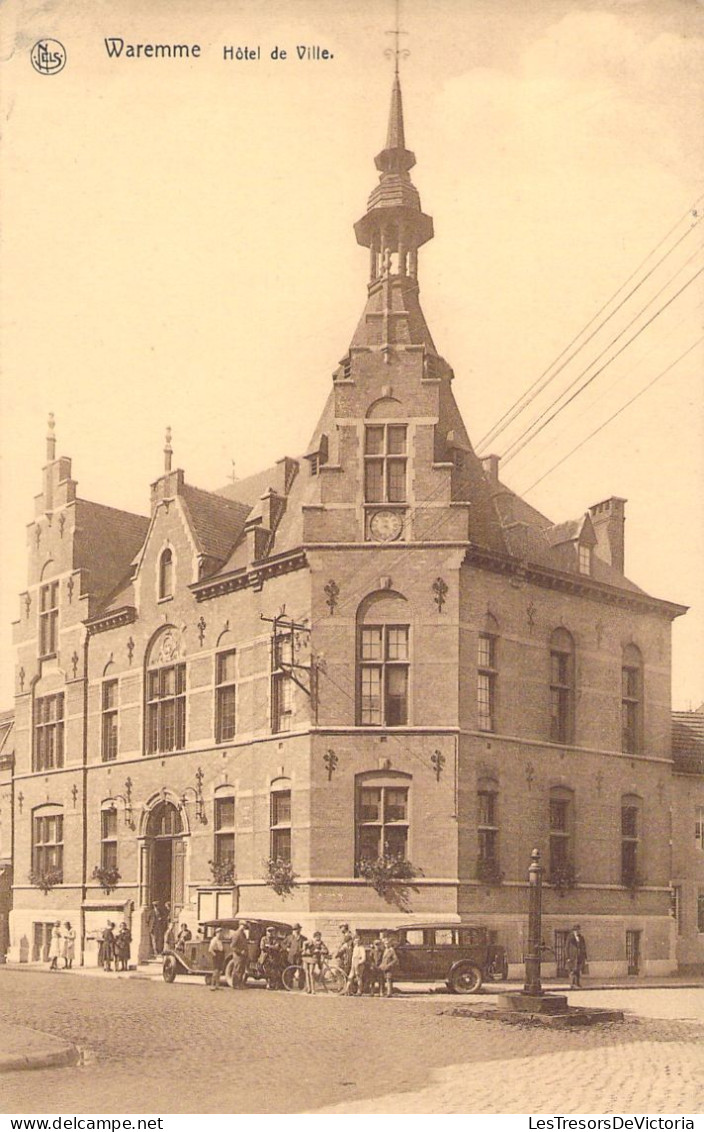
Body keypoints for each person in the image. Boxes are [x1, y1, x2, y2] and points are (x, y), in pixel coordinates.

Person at [565, 924, 588, 988]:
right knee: (572, 971)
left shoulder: (581, 937)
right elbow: (566, 947)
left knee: (578, 970)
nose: (577, 931)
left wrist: (585, 957)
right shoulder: (570, 937)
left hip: (579, 956)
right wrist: (567, 957)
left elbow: (584, 948)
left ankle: (577, 983)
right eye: (576, 930)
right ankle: (572, 984)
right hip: (572, 956)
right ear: (574, 931)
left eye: (578, 930)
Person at [228, 920, 249, 986]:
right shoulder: (236, 934)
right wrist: (240, 952)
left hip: (243, 955)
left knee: (241, 970)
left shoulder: (243, 934)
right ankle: (235, 984)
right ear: (240, 925)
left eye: (245, 926)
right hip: (238, 955)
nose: (244, 927)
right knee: (237, 969)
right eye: (243, 926)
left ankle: (239, 984)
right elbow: (232, 946)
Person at [379, 931, 399, 998]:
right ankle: (385, 991)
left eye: (387, 943)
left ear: (390, 944)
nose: (386, 945)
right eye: (385, 943)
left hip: (388, 967)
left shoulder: (391, 950)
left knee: (389, 979)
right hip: (384, 966)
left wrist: (389, 965)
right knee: (384, 979)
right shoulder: (385, 950)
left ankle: (389, 993)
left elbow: (395, 959)